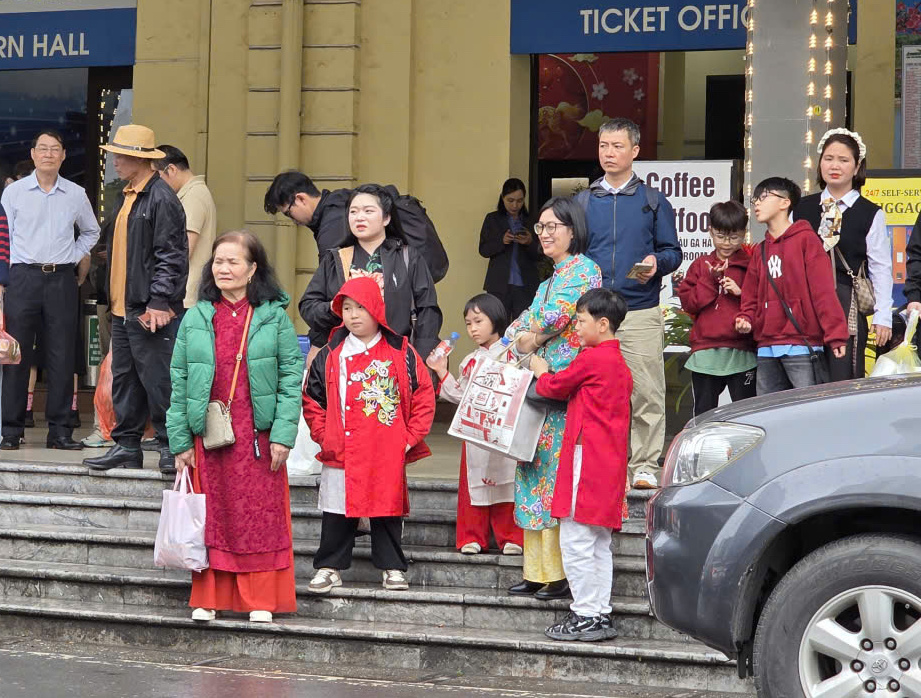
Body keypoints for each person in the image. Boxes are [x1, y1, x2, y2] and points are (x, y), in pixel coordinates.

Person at [167, 230, 303, 624]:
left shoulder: (273, 317)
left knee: (258, 517)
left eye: (234, 262)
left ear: (253, 269)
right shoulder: (196, 316)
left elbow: (290, 379)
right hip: (209, 434)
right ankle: (209, 597)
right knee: (214, 515)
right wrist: (180, 441)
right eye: (218, 261)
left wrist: (282, 434)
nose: (224, 269)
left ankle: (258, 597)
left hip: (258, 437)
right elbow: (178, 380)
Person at [302, 276, 435, 595]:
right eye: (347, 308)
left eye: (361, 307)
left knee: (386, 508)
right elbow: (312, 399)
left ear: (376, 309)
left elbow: (424, 395)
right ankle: (329, 567)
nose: (353, 315)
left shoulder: (401, 351)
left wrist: (408, 438)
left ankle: (392, 567)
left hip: (385, 447)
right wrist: (324, 435)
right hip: (341, 444)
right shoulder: (331, 352)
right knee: (337, 509)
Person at [504, 196, 602, 601]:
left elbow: (555, 317)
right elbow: (516, 329)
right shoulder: (547, 280)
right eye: (540, 228)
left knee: (554, 479)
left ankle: (558, 573)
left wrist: (531, 337)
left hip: (565, 388)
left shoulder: (585, 270)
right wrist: (527, 337)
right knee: (532, 472)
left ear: (573, 230)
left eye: (552, 227)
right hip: (538, 387)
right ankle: (537, 571)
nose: (544, 234)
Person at [576, 118, 681, 490]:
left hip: (639, 308)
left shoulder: (652, 201)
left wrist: (657, 263)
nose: (609, 153)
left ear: (635, 151)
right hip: (594, 315)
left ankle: (645, 466)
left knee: (647, 390)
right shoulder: (584, 201)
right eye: (604, 145)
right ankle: (602, 464)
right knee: (595, 392)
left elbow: (673, 252)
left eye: (617, 146)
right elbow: (573, 255)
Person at [83, 125, 188, 474]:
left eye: (120, 154)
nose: (114, 160)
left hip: (147, 309)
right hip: (123, 308)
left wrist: (159, 301)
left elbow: (171, 255)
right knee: (126, 379)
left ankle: (170, 447)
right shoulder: (126, 195)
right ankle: (127, 445)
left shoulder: (161, 198)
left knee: (158, 379)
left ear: (139, 158)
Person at [528, 288, 631, 642]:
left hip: (586, 460)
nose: (577, 327)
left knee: (576, 540)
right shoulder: (619, 363)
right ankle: (597, 613)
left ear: (603, 325)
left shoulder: (592, 359)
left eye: (582, 320)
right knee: (598, 541)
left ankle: (586, 613)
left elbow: (555, 387)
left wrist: (541, 369)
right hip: (609, 461)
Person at [0, 130, 100, 451]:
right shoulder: (14, 193)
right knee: (16, 356)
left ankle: (60, 432)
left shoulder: (75, 193)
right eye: (42, 148)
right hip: (22, 279)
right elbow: (4, 238)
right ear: (32, 154)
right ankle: (11, 430)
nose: (47, 154)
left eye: (54, 149)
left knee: (61, 356)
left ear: (63, 156)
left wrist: (71, 256)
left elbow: (91, 230)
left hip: (60, 280)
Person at [427, 292, 523, 556]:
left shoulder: (514, 353)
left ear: (495, 319)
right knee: (475, 482)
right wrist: (441, 371)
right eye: (469, 323)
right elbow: (460, 395)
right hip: (477, 432)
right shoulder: (470, 360)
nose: (472, 329)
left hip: (505, 431)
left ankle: (511, 536)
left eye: (478, 321)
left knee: (508, 483)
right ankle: (472, 536)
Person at [299, 184, 442, 361]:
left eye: (368, 211)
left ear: (386, 218)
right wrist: (334, 308)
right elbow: (308, 306)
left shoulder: (408, 257)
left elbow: (428, 310)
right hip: (346, 362)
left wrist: (419, 360)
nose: (359, 217)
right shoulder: (335, 259)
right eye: (353, 212)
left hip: (397, 360)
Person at [793, 128, 893, 380]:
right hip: (804, 307)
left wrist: (883, 317)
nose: (834, 165)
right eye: (828, 158)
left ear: (857, 166)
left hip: (845, 305)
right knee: (803, 385)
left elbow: (880, 267)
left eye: (843, 160)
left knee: (841, 382)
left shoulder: (870, 213)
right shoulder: (802, 207)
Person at [735, 177, 848, 395]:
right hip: (766, 347)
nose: (756, 204)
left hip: (801, 345)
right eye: (754, 199)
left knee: (807, 413)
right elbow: (750, 297)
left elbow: (823, 292)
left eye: (763, 197)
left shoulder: (807, 241)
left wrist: (835, 335)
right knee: (768, 414)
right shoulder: (760, 250)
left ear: (785, 202)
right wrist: (746, 318)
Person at [678, 201, 757, 415]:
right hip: (705, 352)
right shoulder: (700, 265)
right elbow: (689, 303)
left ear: (744, 233)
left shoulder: (751, 265)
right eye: (721, 236)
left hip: (742, 351)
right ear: (710, 231)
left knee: (746, 413)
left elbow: (763, 303)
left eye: (734, 237)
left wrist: (741, 293)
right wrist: (710, 280)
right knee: (704, 414)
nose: (727, 243)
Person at [154, 144, 218, 310]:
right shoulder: (190, 193)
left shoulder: (193, 196)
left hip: (185, 295)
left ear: (172, 170)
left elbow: (184, 248)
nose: (155, 185)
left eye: (157, 176)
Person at [479, 178, 543, 320]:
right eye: (510, 200)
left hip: (525, 284)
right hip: (499, 283)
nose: (515, 205)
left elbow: (541, 254)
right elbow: (483, 250)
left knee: (523, 327)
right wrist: (502, 241)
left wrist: (530, 242)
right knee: (497, 326)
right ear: (502, 198)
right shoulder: (493, 219)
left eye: (519, 201)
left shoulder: (532, 220)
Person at [263, 170, 350, 260]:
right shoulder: (341, 199)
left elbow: (330, 272)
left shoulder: (330, 229)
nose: (293, 220)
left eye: (288, 213)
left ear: (301, 199)